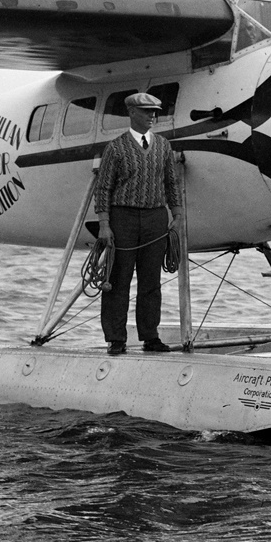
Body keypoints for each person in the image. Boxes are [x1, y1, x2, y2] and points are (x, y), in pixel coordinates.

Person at [93, 92, 184, 355]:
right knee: (118, 279)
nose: (152, 116)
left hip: (156, 218)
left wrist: (177, 215)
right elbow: (104, 188)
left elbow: (171, 182)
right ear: (132, 113)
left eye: (155, 111)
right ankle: (116, 338)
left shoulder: (164, 146)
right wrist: (104, 224)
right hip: (123, 218)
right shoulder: (116, 148)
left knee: (151, 281)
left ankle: (150, 337)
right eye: (147, 111)